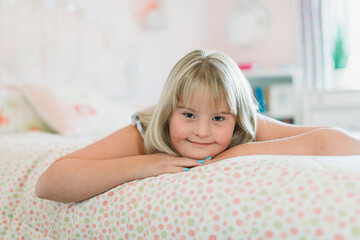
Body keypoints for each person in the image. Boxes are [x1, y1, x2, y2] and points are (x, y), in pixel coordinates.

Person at [35, 49, 360, 203]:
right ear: (168, 113)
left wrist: (239, 153)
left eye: (218, 118)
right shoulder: (149, 130)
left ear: (234, 118)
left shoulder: (242, 126)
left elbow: (340, 143)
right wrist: (147, 164)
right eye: (188, 115)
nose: (203, 131)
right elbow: (48, 183)